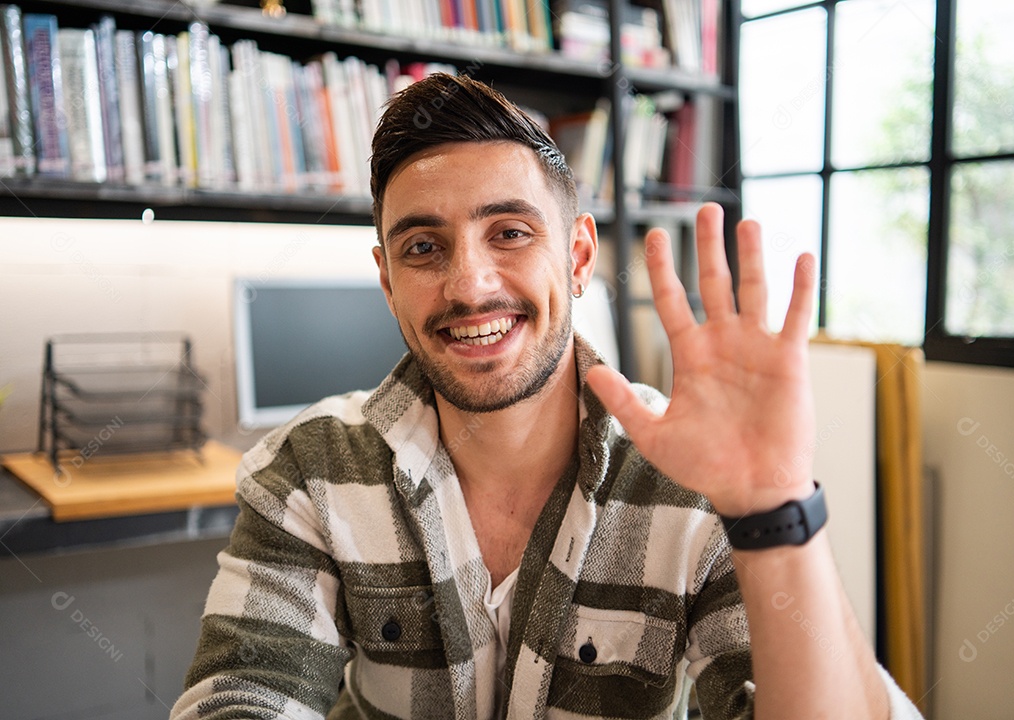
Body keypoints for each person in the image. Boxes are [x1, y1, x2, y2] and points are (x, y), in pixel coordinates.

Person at [172, 73, 924, 720]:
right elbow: (241, 692)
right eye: (424, 248)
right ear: (387, 279)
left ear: (579, 257)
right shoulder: (311, 466)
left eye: (509, 232)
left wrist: (772, 507)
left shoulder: (693, 481)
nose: (470, 286)